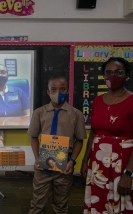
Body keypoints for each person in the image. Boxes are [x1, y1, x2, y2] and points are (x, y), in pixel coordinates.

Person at [81, 57, 133, 213]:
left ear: (127, 75)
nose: (112, 76)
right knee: (99, 203)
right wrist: (85, 160)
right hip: (99, 166)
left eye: (118, 72)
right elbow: (93, 134)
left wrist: (128, 174)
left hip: (123, 166)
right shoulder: (97, 101)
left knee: (121, 204)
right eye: (108, 72)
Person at [27, 75, 86, 213]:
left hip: (64, 164)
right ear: (48, 92)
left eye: (62, 89)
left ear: (67, 91)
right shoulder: (39, 113)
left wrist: (72, 161)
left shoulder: (76, 114)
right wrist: (37, 158)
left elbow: (80, 140)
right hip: (43, 164)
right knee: (37, 202)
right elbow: (34, 137)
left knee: (61, 203)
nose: (58, 93)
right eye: (53, 89)